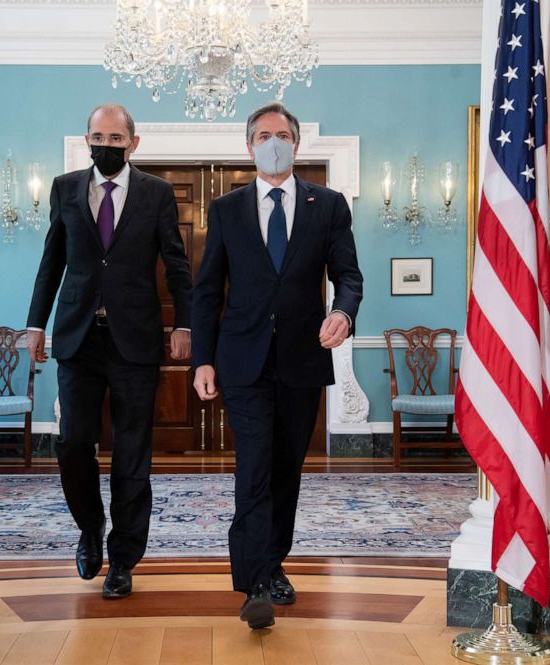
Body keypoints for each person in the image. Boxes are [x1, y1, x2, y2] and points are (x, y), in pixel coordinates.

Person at [191, 102, 363, 629]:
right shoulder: (225, 210)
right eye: (263, 135)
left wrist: (344, 313)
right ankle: (255, 583)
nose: (273, 141)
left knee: (286, 469)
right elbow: (205, 292)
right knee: (255, 468)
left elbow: (349, 276)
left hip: (302, 359)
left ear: (296, 144)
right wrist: (202, 359)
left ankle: (274, 562)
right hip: (241, 361)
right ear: (249, 146)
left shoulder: (328, 204)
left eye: (282, 134)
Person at [26, 104, 192, 599]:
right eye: (98, 136)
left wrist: (185, 323)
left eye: (115, 137)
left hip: (135, 340)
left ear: (133, 143)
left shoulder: (157, 194)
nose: (106, 144)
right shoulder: (65, 187)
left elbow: (177, 265)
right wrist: (36, 323)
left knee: (131, 453)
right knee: (74, 442)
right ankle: (89, 527)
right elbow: (51, 260)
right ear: (87, 139)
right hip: (77, 337)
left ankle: (123, 558)